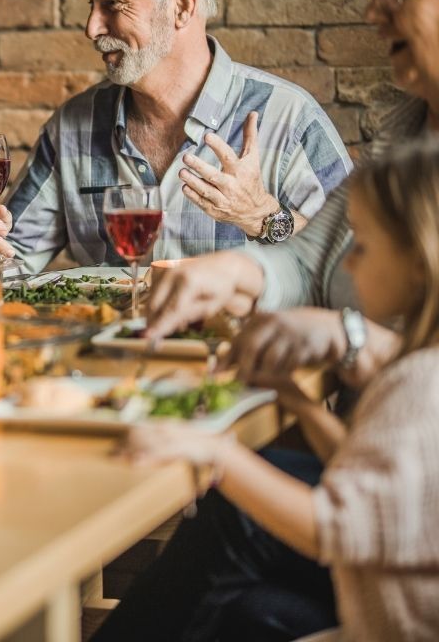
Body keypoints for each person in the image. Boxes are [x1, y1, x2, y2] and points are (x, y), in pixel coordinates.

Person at [95, 138, 439, 642]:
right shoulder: (419, 372)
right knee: (244, 615)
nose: (344, 265)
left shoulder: (415, 386)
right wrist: (293, 399)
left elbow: (334, 530)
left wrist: (218, 454)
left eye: (360, 246)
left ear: (417, 263)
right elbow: (361, 472)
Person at [146, 0, 439, 385]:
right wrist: (233, 272)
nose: (372, 10)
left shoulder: (292, 111)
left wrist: (350, 338)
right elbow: (307, 264)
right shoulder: (409, 137)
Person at [0, 0, 351, 273]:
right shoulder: (74, 125)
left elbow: (359, 267)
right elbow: (0, 268)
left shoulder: (288, 117)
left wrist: (262, 217)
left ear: (181, 6)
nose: (92, 28)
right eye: (92, 5)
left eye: (113, 3)